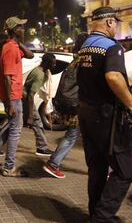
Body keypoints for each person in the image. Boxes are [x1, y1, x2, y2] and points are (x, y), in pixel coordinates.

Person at [77, 7, 132, 222]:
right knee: (126, 170)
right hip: (107, 119)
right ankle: (102, 217)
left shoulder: (84, 46)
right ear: (109, 23)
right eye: (116, 23)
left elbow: (105, 76)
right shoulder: (112, 47)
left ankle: (95, 213)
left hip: (86, 114)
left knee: (97, 168)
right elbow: (111, 76)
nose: (116, 27)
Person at [0, 16, 34, 177]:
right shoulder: (10, 49)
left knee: (10, 126)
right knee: (15, 131)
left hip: (12, 95)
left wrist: (18, 41)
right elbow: (7, 76)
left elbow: (30, 55)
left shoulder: (12, 45)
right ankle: (9, 167)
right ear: (14, 30)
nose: (24, 29)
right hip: (13, 96)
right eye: (21, 27)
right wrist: (9, 102)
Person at [43, 32, 88, 179]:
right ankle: (53, 164)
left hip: (70, 105)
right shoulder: (84, 62)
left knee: (74, 135)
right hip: (78, 106)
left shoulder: (74, 61)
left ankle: (53, 163)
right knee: (72, 136)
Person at [23, 53, 56, 156]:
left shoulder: (42, 71)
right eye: (53, 63)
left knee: (12, 125)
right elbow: (30, 95)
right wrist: (30, 116)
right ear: (46, 63)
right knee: (37, 122)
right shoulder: (39, 75)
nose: (54, 65)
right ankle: (42, 148)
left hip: (22, 98)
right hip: (24, 99)